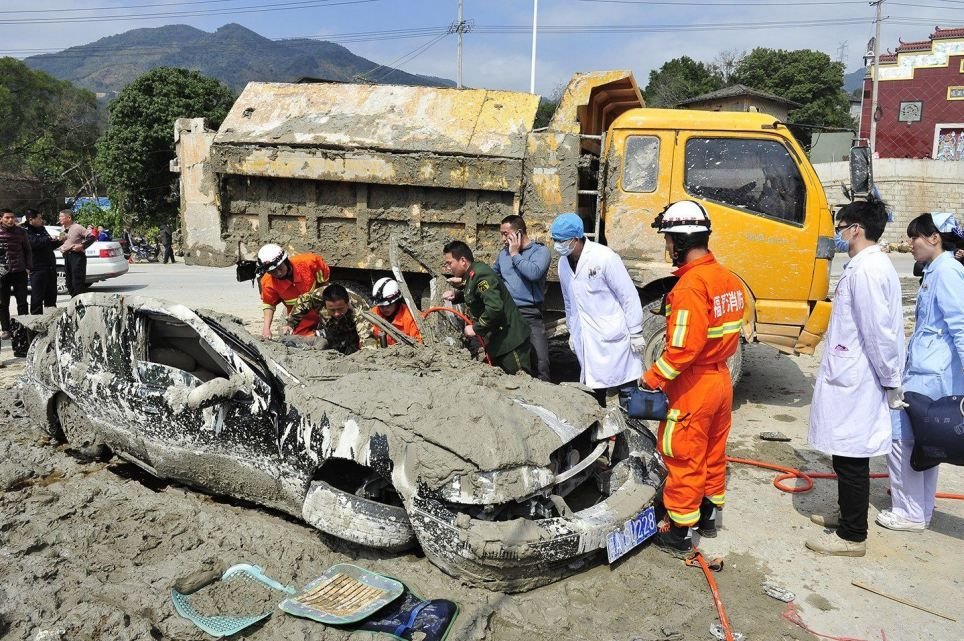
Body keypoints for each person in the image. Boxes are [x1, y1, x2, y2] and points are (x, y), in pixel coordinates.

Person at [637, 201, 745, 556]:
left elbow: (683, 350)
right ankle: (708, 516)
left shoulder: (689, 287)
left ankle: (681, 530)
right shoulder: (726, 278)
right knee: (713, 450)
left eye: (668, 240)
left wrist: (651, 378)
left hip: (695, 384)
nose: (667, 247)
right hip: (720, 380)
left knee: (682, 454)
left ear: (680, 241)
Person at [806, 199, 905, 557]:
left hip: (860, 378)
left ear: (856, 229)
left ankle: (852, 535)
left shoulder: (866, 270)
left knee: (851, 458)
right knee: (845, 453)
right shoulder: (866, 264)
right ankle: (848, 515)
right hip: (853, 374)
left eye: (841, 225)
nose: (838, 233)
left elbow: (879, 332)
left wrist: (891, 379)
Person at [877, 213, 964, 532]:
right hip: (931, 372)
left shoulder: (947, 272)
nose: (910, 243)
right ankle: (921, 509)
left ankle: (908, 512)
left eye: (915, 237)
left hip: (931, 376)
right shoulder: (938, 270)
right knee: (925, 445)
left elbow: (960, 326)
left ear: (934, 238)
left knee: (903, 440)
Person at [551, 212, 645, 405]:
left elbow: (628, 296)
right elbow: (569, 302)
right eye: (555, 240)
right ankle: (603, 434)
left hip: (613, 337)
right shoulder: (563, 264)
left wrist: (636, 331)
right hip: (587, 338)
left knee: (627, 394)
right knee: (594, 398)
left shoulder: (604, 257)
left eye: (561, 240)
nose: (557, 245)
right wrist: (572, 331)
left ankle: (632, 432)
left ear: (575, 239)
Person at [442, 240, 532, 375]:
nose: (448, 268)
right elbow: (477, 294)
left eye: (450, 263)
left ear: (462, 260)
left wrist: (475, 328)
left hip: (511, 341)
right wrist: (457, 296)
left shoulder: (481, 275)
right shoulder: (473, 274)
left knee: (520, 380)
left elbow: (494, 307)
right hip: (499, 341)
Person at [493, 215, 552, 381]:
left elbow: (533, 273)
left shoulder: (540, 252)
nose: (503, 238)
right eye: (501, 234)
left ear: (518, 233)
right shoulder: (502, 255)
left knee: (540, 361)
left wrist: (515, 254)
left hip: (530, 313)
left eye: (506, 234)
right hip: (508, 314)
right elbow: (493, 279)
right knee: (509, 358)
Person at [258, 243, 330, 338]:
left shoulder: (310, 262)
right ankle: (321, 335)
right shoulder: (268, 282)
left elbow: (324, 284)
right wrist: (266, 329)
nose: (278, 273)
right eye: (272, 272)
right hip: (301, 314)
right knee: (296, 337)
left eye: (280, 268)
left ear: (286, 261)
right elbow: (269, 304)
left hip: (322, 305)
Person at [0, 208, 32, 340]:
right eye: (7, 217)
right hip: (2, 273)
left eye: (12, 217)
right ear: (1, 219)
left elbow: (28, 250)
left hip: (19, 271)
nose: (10, 220)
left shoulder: (21, 232)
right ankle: (5, 329)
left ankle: (23, 327)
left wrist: (28, 268)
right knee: (3, 303)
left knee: (22, 302)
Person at [22, 210, 58, 315]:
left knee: (51, 296)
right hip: (37, 268)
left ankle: (52, 320)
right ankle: (36, 324)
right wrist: (47, 239)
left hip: (50, 266)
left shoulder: (42, 229)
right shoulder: (25, 231)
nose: (41, 220)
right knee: (37, 297)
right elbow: (34, 243)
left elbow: (48, 244)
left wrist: (58, 241)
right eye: (39, 218)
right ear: (31, 220)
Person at [370, 277, 422, 345]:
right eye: (381, 306)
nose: (384, 309)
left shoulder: (413, 318)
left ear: (397, 301)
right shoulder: (373, 315)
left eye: (388, 305)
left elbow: (419, 347)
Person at [57, 209, 93, 297]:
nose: (59, 218)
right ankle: (73, 300)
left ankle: (79, 303)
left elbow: (92, 237)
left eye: (61, 216)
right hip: (67, 256)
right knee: (69, 282)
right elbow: (62, 239)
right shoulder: (63, 228)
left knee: (77, 281)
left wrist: (82, 246)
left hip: (77, 256)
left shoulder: (77, 227)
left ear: (68, 218)